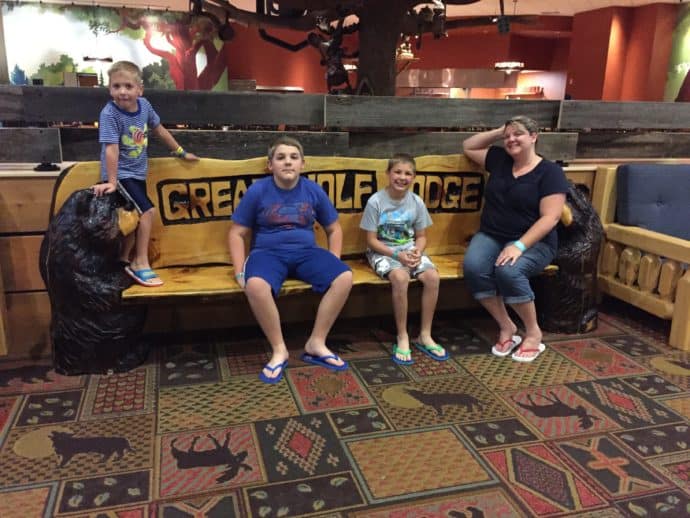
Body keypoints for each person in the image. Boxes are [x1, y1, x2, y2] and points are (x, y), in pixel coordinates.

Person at [228, 136, 353, 384]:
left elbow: (334, 229)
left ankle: (317, 342)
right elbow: (237, 233)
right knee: (255, 285)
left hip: (306, 251)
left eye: (294, 157)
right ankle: (279, 349)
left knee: (344, 276)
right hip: (267, 253)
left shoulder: (313, 190)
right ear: (270, 165)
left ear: (303, 164)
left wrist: (333, 259)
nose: (288, 162)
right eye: (281, 157)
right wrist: (239, 271)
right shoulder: (258, 191)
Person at [462, 116, 569, 362]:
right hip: (491, 234)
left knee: (508, 271)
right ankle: (506, 325)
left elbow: (550, 218)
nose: (511, 139)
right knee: (474, 267)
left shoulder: (550, 172)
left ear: (534, 136)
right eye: (508, 136)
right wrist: (501, 130)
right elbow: (469, 146)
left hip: (534, 242)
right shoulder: (499, 159)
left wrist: (519, 246)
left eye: (518, 134)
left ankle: (533, 332)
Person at [92, 60, 198, 287]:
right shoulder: (109, 114)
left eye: (128, 86)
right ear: (110, 89)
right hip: (121, 174)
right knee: (148, 211)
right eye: (116, 86)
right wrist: (111, 181)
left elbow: (159, 129)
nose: (122, 92)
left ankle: (123, 260)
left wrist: (180, 152)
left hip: (138, 173)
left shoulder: (145, 106)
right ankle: (140, 262)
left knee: (135, 217)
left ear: (139, 89)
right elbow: (111, 149)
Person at [360, 153, 447, 365]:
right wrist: (397, 255)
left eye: (408, 173)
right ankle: (402, 335)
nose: (402, 177)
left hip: (409, 249)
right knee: (400, 278)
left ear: (414, 177)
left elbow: (421, 236)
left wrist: (417, 251)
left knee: (432, 277)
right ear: (388, 174)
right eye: (397, 172)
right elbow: (371, 240)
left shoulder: (416, 202)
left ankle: (425, 333)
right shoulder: (376, 201)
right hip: (383, 251)